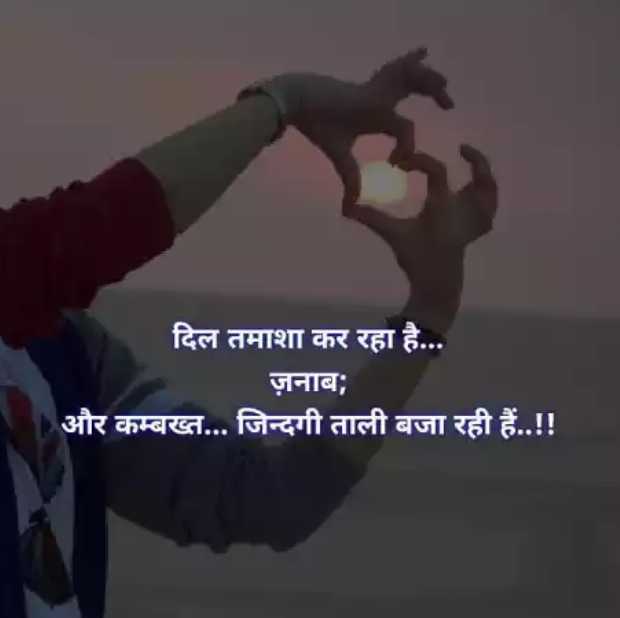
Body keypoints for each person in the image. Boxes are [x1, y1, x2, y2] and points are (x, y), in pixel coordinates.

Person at [0, 47, 497, 618]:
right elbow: (87, 235)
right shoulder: (35, 290)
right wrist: (283, 103)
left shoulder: (62, 353)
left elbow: (272, 498)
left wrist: (427, 315)